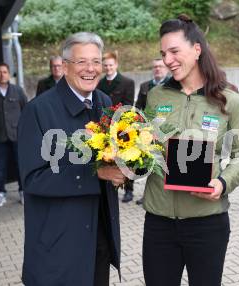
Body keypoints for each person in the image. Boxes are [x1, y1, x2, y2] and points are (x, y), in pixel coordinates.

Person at [141, 15, 239, 286]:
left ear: (196, 49)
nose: (167, 60)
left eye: (174, 51)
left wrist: (223, 183)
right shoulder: (156, 96)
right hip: (159, 223)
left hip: (207, 224)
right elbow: (144, 148)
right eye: (163, 53)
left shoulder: (229, 100)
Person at [18, 32, 125, 285]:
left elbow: (108, 156)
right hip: (59, 246)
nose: (91, 69)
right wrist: (94, 172)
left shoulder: (104, 101)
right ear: (64, 66)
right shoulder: (38, 111)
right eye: (81, 62)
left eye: (96, 61)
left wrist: (125, 165)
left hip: (99, 237)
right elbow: (33, 178)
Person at [0, 62, 27, 207]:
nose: (2, 74)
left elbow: (25, 109)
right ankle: (1, 194)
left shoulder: (17, 91)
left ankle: (23, 192)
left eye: (5, 72)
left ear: (9, 74)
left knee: (20, 165)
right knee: (0, 166)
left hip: (16, 134)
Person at [97, 51, 136, 203]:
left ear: (116, 65)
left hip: (122, 126)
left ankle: (129, 189)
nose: (108, 68)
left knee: (127, 157)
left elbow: (127, 105)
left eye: (110, 65)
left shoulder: (127, 82)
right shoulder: (99, 83)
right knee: (107, 156)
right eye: (105, 65)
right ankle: (110, 185)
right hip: (105, 127)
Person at [134, 58, 170, 205]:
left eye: (160, 66)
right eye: (155, 67)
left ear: (166, 68)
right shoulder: (145, 86)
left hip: (167, 133)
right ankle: (148, 196)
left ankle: (167, 197)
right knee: (151, 166)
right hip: (149, 134)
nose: (158, 69)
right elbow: (138, 110)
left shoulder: (172, 85)